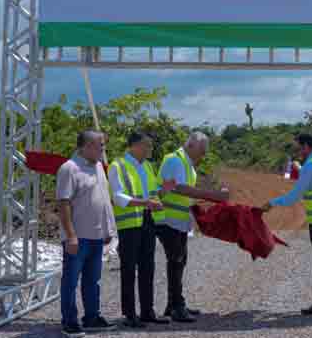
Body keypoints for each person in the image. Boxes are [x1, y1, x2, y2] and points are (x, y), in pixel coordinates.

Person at [261, 134, 312, 320]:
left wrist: (271, 203)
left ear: (306, 147)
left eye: (298, 149)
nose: (297, 153)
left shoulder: (311, 165)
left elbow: (293, 197)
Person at [158, 132, 230, 323]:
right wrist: (213, 196)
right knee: (176, 261)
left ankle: (174, 304)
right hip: (167, 219)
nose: (204, 155)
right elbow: (180, 188)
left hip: (179, 220)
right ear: (191, 145)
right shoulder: (176, 160)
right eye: (202, 150)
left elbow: (186, 194)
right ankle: (176, 307)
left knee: (180, 261)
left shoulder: (187, 164)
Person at [107, 131, 174, 328]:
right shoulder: (117, 166)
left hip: (148, 220)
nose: (150, 149)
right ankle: (129, 314)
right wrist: (146, 202)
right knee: (129, 269)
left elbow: (153, 195)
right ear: (134, 146)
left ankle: (147, 311)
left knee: (148, 267)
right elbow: (118, 197)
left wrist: (164, 191)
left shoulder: (147, 166)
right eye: (147, 145)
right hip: (129, 224)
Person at [57, 130, 118, 337]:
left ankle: (92, 317)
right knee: (70, 281)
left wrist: (108, 228)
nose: (103, 149)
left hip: (96, 236)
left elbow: (102, 199)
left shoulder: (99, 166)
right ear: (87, 146)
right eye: (100, 145)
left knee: (93, 280)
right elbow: (63, 204)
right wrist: (71, 235)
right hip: (78, 237)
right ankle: (69, 321)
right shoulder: (69, 169)